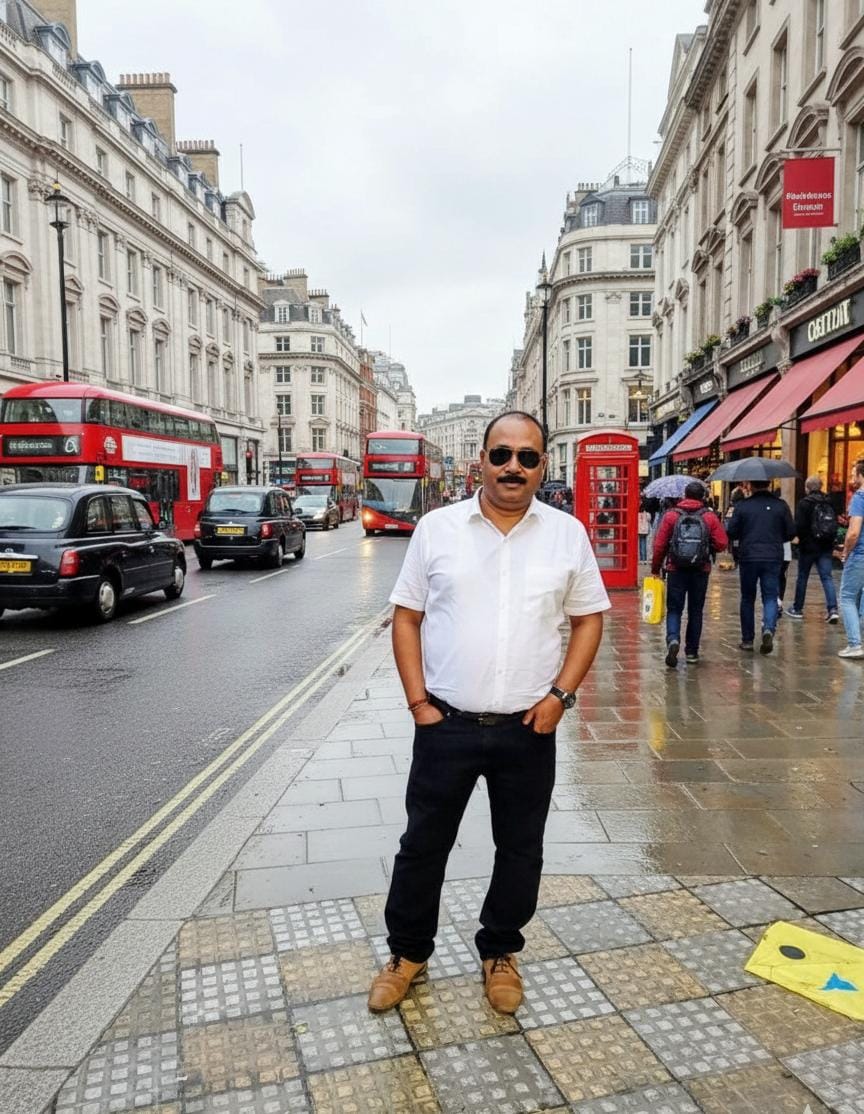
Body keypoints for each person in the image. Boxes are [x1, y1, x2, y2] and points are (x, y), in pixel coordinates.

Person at [367, 411, 609, 1016]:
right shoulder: (436, 528)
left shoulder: (566, 534)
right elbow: (406, 616)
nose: (513, 468)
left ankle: (500, 949)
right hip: (445, 724)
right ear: (481, 460)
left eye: (527, 457)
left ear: (542, 466)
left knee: (521, 848)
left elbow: (589, 619)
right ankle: (407, 953)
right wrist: (418, 702)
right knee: (423, 845)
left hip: (530, 728)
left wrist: (561, 697)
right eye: (502, 455)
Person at [651, 480, 728, 667]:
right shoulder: (709, 517)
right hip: (700, 570)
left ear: (685, 495)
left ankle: (673, 639)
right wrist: (707, 545)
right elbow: (722, 543)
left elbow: (659, 545)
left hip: (676, 569)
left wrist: (655, 569)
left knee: (675, 609)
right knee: (696, 610)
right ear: (702, 496)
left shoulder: (671, 515)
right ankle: (692, 652)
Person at [726, 479, 795, 655]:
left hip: (749, 556)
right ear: (769, 484)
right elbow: (791, 532)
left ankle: (748, 639)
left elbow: (731, 531)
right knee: (771, 596)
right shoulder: (781, 506)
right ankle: (768, 629)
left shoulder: (742, 506)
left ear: (752, 485)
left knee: (748, 598)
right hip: (773, 556)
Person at [787, 476, 839, 623]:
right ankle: (833, 609)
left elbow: (799, 526)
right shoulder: (829, 501)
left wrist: (799, 540)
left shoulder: (804, 503)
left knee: (803, 577)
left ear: (807, 488)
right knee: (827, 577)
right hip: (826, 546)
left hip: (808, 546)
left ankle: (797, 608)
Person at [838, 458, 864, 659]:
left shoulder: (859, 497)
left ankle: (855, 643)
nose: (852, 477)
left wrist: (846, 551)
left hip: (860, 554)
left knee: (847, 597)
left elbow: (854, 532)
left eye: (854, 473)